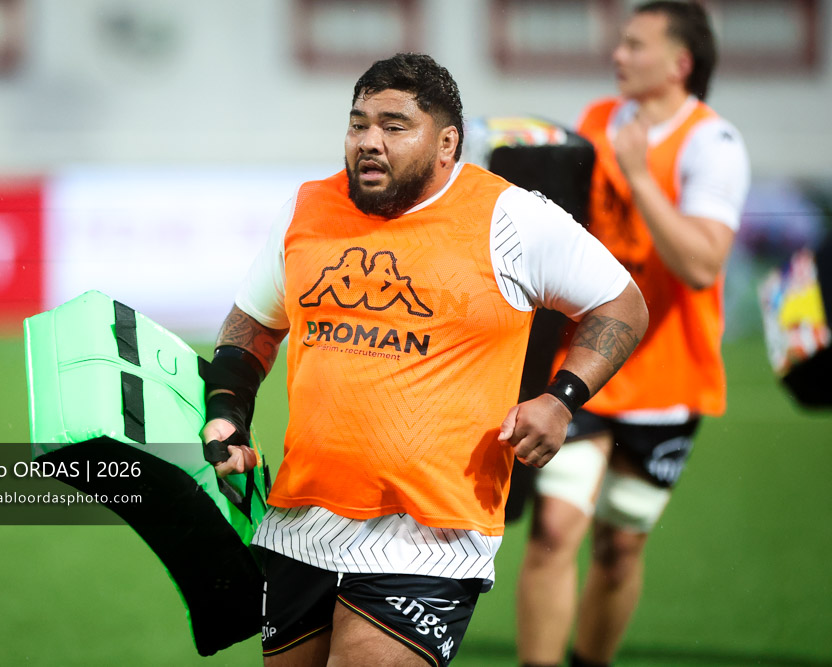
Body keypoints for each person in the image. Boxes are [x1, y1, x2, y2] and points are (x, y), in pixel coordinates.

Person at [199, 52, 648, 667]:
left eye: (393, 125)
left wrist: (560, 398)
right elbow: (251, 324)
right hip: (301, 519)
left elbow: (622, 304)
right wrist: (229, 409)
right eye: (358, 124)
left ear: (446, 142)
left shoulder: (509, 218)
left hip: (429, 538)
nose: (369, 142)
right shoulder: (308, 208)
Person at [515, 3, 751, 666]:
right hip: (590, 363)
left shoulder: (713, 145)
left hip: (669, 381)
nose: (618, 55)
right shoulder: (597, 121)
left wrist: (641, 175)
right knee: (555, 530)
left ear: (680, 63)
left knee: (620, 549)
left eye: (635, 45)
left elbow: (702, 263)